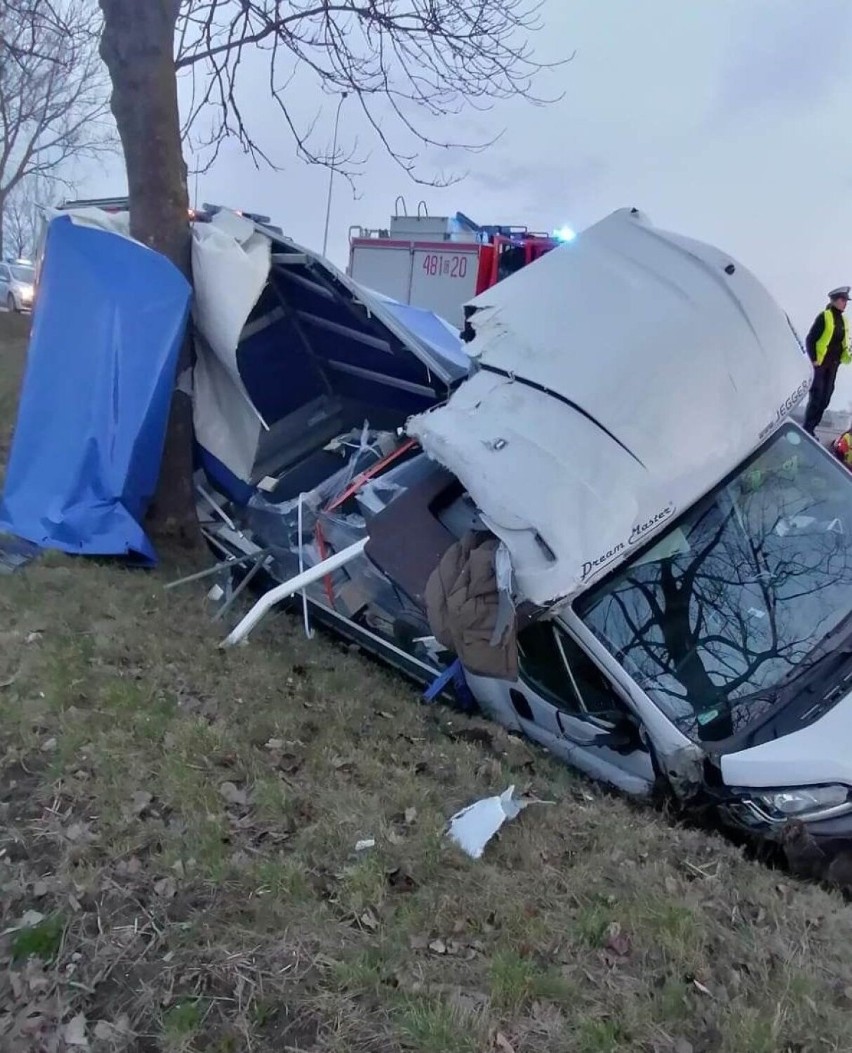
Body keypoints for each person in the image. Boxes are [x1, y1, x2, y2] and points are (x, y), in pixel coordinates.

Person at [803, 286, 851, 435]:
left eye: (846, 300)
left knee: (826, 398)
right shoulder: (825, 316)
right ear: (835, 300)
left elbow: (844, 342)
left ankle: (812, 428)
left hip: (833, 366)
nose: (845, 303)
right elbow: (810, 339)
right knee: (817, 397)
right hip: (820, 365)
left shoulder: (844, 321)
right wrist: (814, 360)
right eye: (843, 300)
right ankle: (808, 429)